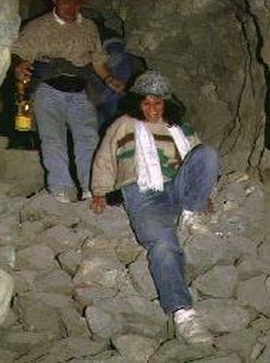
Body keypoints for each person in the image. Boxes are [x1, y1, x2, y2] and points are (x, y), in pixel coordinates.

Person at [90, 70, 220, 344]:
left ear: (166, 103)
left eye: (158, 103)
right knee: (162, 245)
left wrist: (202, 193)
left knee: (207, 153)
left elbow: (199, 164)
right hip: (144, 193)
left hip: (179, 186)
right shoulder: (124, 124)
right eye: (146, 103)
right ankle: (183, 313)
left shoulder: (181, 127)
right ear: (137, 103)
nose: (152, 109)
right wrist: (100, 191)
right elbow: (104, 157)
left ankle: (190, 213)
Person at [11, 0, 125, 203]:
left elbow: (97, 61)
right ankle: (61, 190)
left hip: (80, 92)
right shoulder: (38, 27)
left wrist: (110, 79)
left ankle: (91, 189)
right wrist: (20, 65)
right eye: (67, 0)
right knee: (53, 139)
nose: (72, 7)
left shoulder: (89, 28)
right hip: (48, 90)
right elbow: (20, 52)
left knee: (88, 139)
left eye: (79, 2)